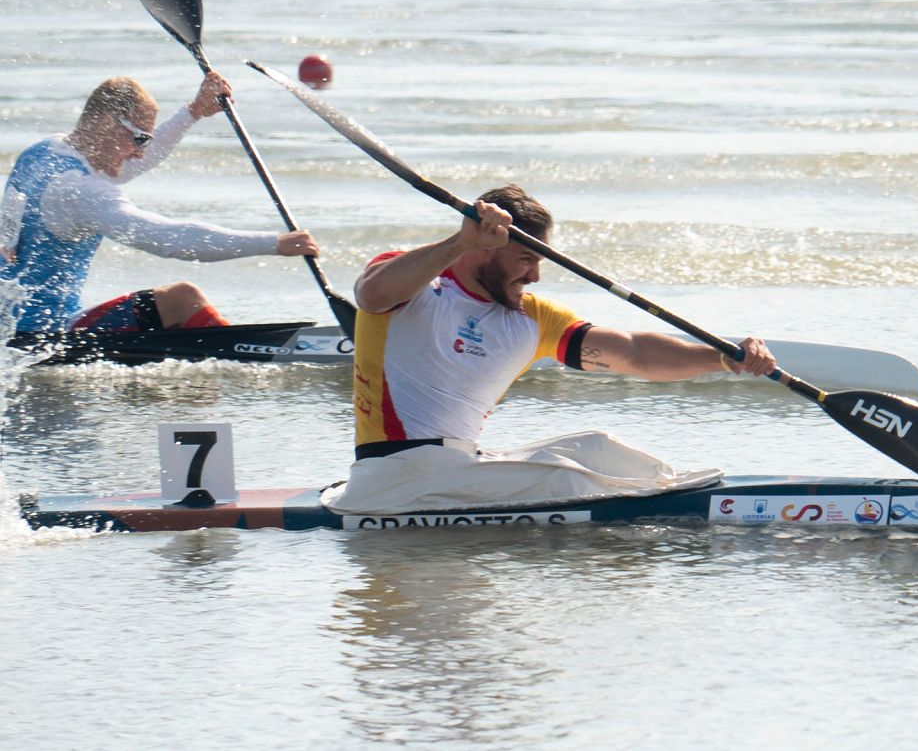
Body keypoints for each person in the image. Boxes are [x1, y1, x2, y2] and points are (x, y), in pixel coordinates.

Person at [322, 184, 778, 514]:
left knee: (598, 447)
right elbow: (372, 296)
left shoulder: (531, 317)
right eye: (526, 260)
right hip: (391, 478)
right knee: (563, 478)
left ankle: (687, 500)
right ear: (485, 247)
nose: (535, 276)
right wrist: (461, 239)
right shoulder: (417, 282)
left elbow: (635, 353)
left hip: (459, 467)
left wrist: (721, 357)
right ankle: (672, 512)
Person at [0, 73, 318, 333]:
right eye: (139, 138)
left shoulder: (43, 153)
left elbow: (130, 163)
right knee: (183, 300)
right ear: (105, 123)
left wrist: (193, 112)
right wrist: (275, 243)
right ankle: (246, 362)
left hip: (9, 325)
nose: (140, 152)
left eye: (146, 141)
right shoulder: (82, 192)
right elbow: (170, 239)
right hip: (45, 338)